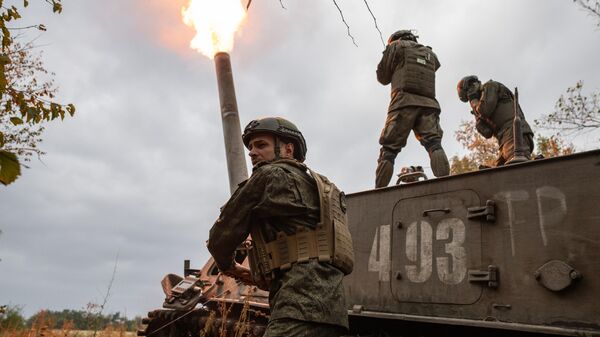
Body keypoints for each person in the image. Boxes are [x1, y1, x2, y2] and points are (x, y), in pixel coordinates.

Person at [207, 117, 353, 337]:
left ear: (288, 149)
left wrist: (230, 267)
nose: (252, 152)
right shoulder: (323, 188)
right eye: (250, 147)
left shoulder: (268, 176)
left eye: (261, 145)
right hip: (332, 313)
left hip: (295, 310)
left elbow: (220, 239)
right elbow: (305, 257)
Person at [375, 29, 450, 188]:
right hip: (429, 105)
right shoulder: (431, 54)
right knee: (434, 144)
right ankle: (447, 186)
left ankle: (378, 192)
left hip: (403, 103)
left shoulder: (396, 47)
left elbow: (382, 77)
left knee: (389, 149)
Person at [456, 75, 534, 166]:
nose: (471, 98)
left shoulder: (490, 86)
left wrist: (474, 103)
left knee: (518, 167)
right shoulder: (480, 104)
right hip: (505, 138)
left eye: (469, 95)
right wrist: (478, 118)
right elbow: (487, 133)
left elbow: (485, 110)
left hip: (514, 133)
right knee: (498, 173)